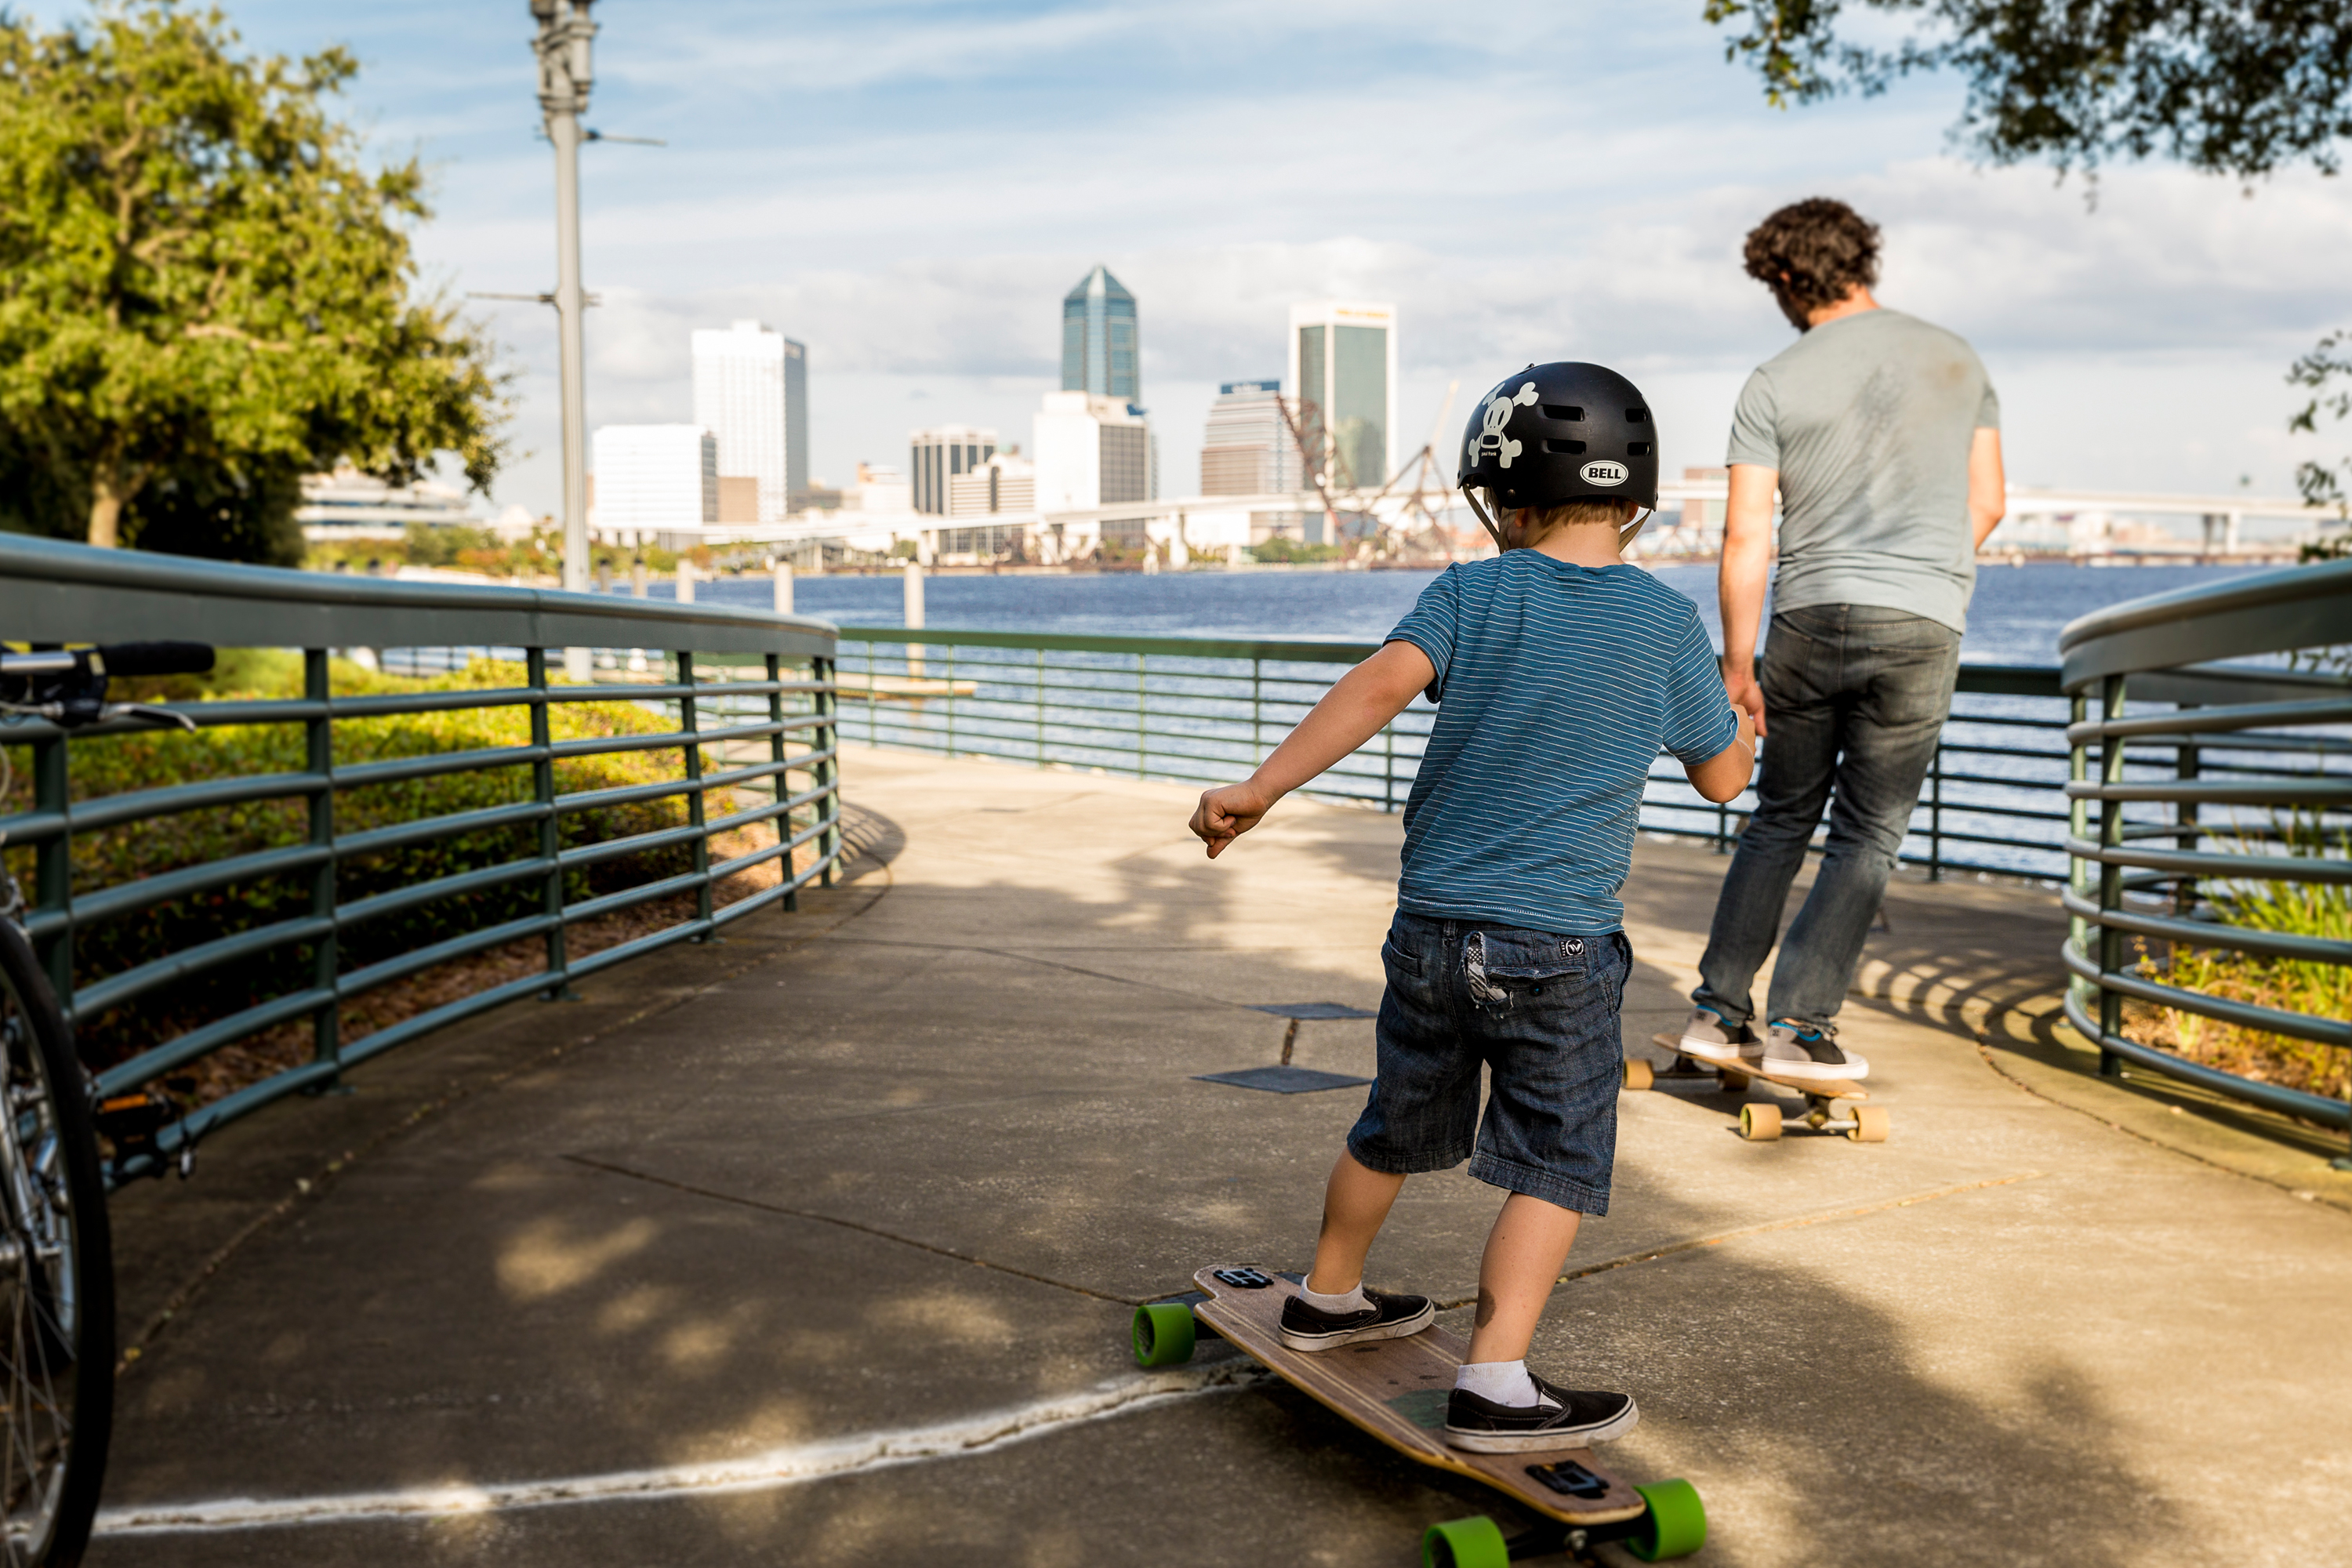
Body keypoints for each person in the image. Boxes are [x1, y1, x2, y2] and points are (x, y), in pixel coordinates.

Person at [1188, 364, 1753, 1453]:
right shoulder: (1666, 624)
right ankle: (1494, 1381)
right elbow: (1724, 781)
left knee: (1397, 1120)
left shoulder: (1471, 593)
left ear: (1509, 498)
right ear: (1632, 500)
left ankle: (1331, 1293)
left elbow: (1375, 687)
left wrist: (1261, 787)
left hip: (1433, 931)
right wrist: (1733, 722)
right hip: (1561, 947)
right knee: (1556, 1155)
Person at [1678, 198, 2006, 1083]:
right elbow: (1988, 504)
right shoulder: (1956, 356)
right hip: (1921, 617)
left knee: (1780, 816)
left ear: (1787, 276)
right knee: (1869, 832)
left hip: (1808, 615)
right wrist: (1921, 577)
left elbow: (1747, 536)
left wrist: (1736, 667)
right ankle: (1801, 1027)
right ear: (1863, 258)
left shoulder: (1773, 379)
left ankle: (1717, 1015)